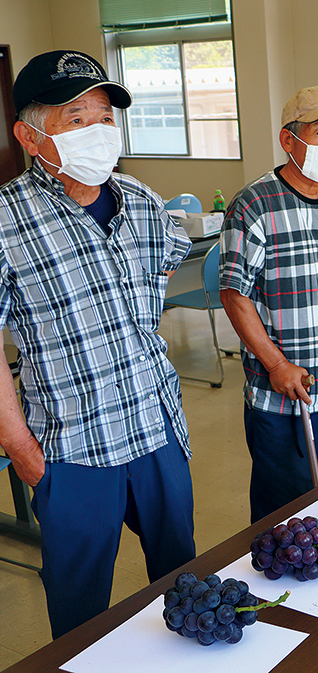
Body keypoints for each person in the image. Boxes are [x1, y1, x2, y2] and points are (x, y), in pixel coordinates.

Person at [0, 50, 196, 639]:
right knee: (82, 609)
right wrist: (21, 449)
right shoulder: (7, 220)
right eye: (76, 118)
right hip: (70, 444)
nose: (99, 132)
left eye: (106, 117)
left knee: (185, 582)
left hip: (154, 423)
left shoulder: (138, 197)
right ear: (30, 137)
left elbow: (165, 262)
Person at [220, 86, 318, 523]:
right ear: (289, 141)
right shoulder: (254, 203)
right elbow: (235, 293)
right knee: (286, 522)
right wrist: (275, 364)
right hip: (286, 393)